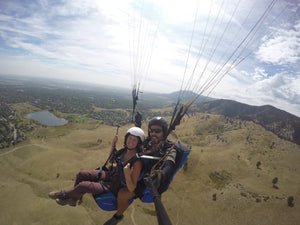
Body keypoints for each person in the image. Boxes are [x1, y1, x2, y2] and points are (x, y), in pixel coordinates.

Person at [49, 127, 145, 225]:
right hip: (112, 175)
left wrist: (127, 174)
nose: (131, 141)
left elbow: (132, 187)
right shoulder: (124, 151)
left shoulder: (136, 162)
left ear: (139, 143)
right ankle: (74, 199)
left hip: (117, 185)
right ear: (126, 138)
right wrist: (113, 143)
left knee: (84, 186)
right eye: (130, 138)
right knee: (82, 174)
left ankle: (64, 195)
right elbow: (111, 160)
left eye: (134, 139)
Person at [136, 116, 177, 196]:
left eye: (157, 131)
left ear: (164, 133)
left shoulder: (169, 149)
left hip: (151, 183)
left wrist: (160, 174)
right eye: (151, 131)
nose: (153, 134)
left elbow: (169, 165)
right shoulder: (147, 143)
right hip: (139, 176)